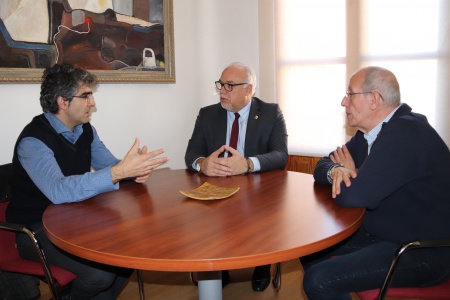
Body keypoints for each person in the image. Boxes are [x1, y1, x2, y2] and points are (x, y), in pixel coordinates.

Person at [6, 63, 169, 299]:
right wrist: (118, 172)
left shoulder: (85, 130)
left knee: (130, 249)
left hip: (74, 219)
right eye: (86, 96)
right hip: (36, 231)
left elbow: (108, 164)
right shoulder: (33, 141)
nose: (93, 103)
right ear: (63, 102)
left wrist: (133, 170)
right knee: (99, 275)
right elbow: (59, 190)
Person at [303, 66, 450, 299]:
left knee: (319, 280)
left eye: (350, 94)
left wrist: (353, 177)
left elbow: (354, 197)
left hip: (422, 251)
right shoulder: (367, 134)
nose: (343, 102)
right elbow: (322, 165)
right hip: (385, 231)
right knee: (310, 249)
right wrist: (339, 171)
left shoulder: (407, 132)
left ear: (373, 99)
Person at [185, 62, 288, 292]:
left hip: (257, 189)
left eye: (229, 86)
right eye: (221, 84)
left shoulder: (271, 112)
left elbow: (281, 155)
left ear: (249, 89)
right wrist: (203, 164)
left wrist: (249, 164)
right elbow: (191, 153)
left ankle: (262, 264)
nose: (222, 91)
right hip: (217, 188)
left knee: (261, 215)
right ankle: (219, 267)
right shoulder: (207, 114)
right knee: (208, 219)